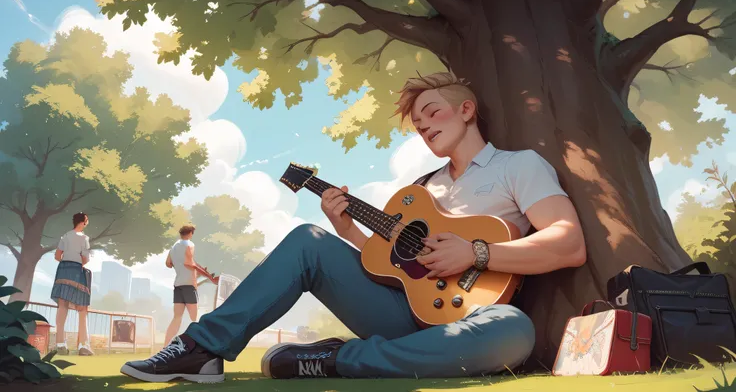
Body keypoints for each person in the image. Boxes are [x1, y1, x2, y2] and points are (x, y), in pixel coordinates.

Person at [120, 72, 587, 383]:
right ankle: (201, 349)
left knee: (514, 331)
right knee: (309, 239)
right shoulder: (419, 190)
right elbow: (396, 268)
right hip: (401, 314)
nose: (424, 127)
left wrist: (476, 253)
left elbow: (568, 244)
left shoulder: (517, 166)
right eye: (418, 125)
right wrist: (347, 231)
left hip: (473, 317)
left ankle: (330, 359)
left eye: (433, 112)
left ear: (466, 110)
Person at [162, 225, 218, 347]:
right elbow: (189, 262)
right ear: (191, 233)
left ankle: (165, 346)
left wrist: (183, 267)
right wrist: (208, 276)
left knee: (177, 318)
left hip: (178, 285)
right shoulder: (190, 244)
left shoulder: (174, 247)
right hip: (189, 285)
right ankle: (200, 346)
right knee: (195, 318)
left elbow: (168, 263)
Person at [52, 212, 94, 356]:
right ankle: (83, 345)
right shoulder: (84, 238)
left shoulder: (65, 235)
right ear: (84, 222)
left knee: (62, 306)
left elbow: (58, 255)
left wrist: (67, 260)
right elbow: (86, 258)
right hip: (77, 271)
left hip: (63, 270)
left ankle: (60, 344)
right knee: (82, 308)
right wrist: (77, 262)